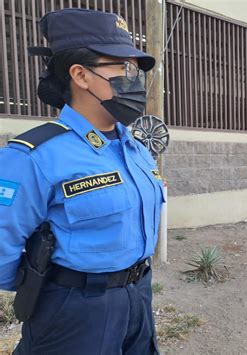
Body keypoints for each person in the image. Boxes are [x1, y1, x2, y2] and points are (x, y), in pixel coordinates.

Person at [0, 9, 164, 354]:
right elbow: (3, 245)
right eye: (121, 66)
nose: (132, 78)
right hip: (75, 308)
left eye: (133, 68)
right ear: (81, 75)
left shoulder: (133, 147)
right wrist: (45, 289)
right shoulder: (36, 154)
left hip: (138, 298)